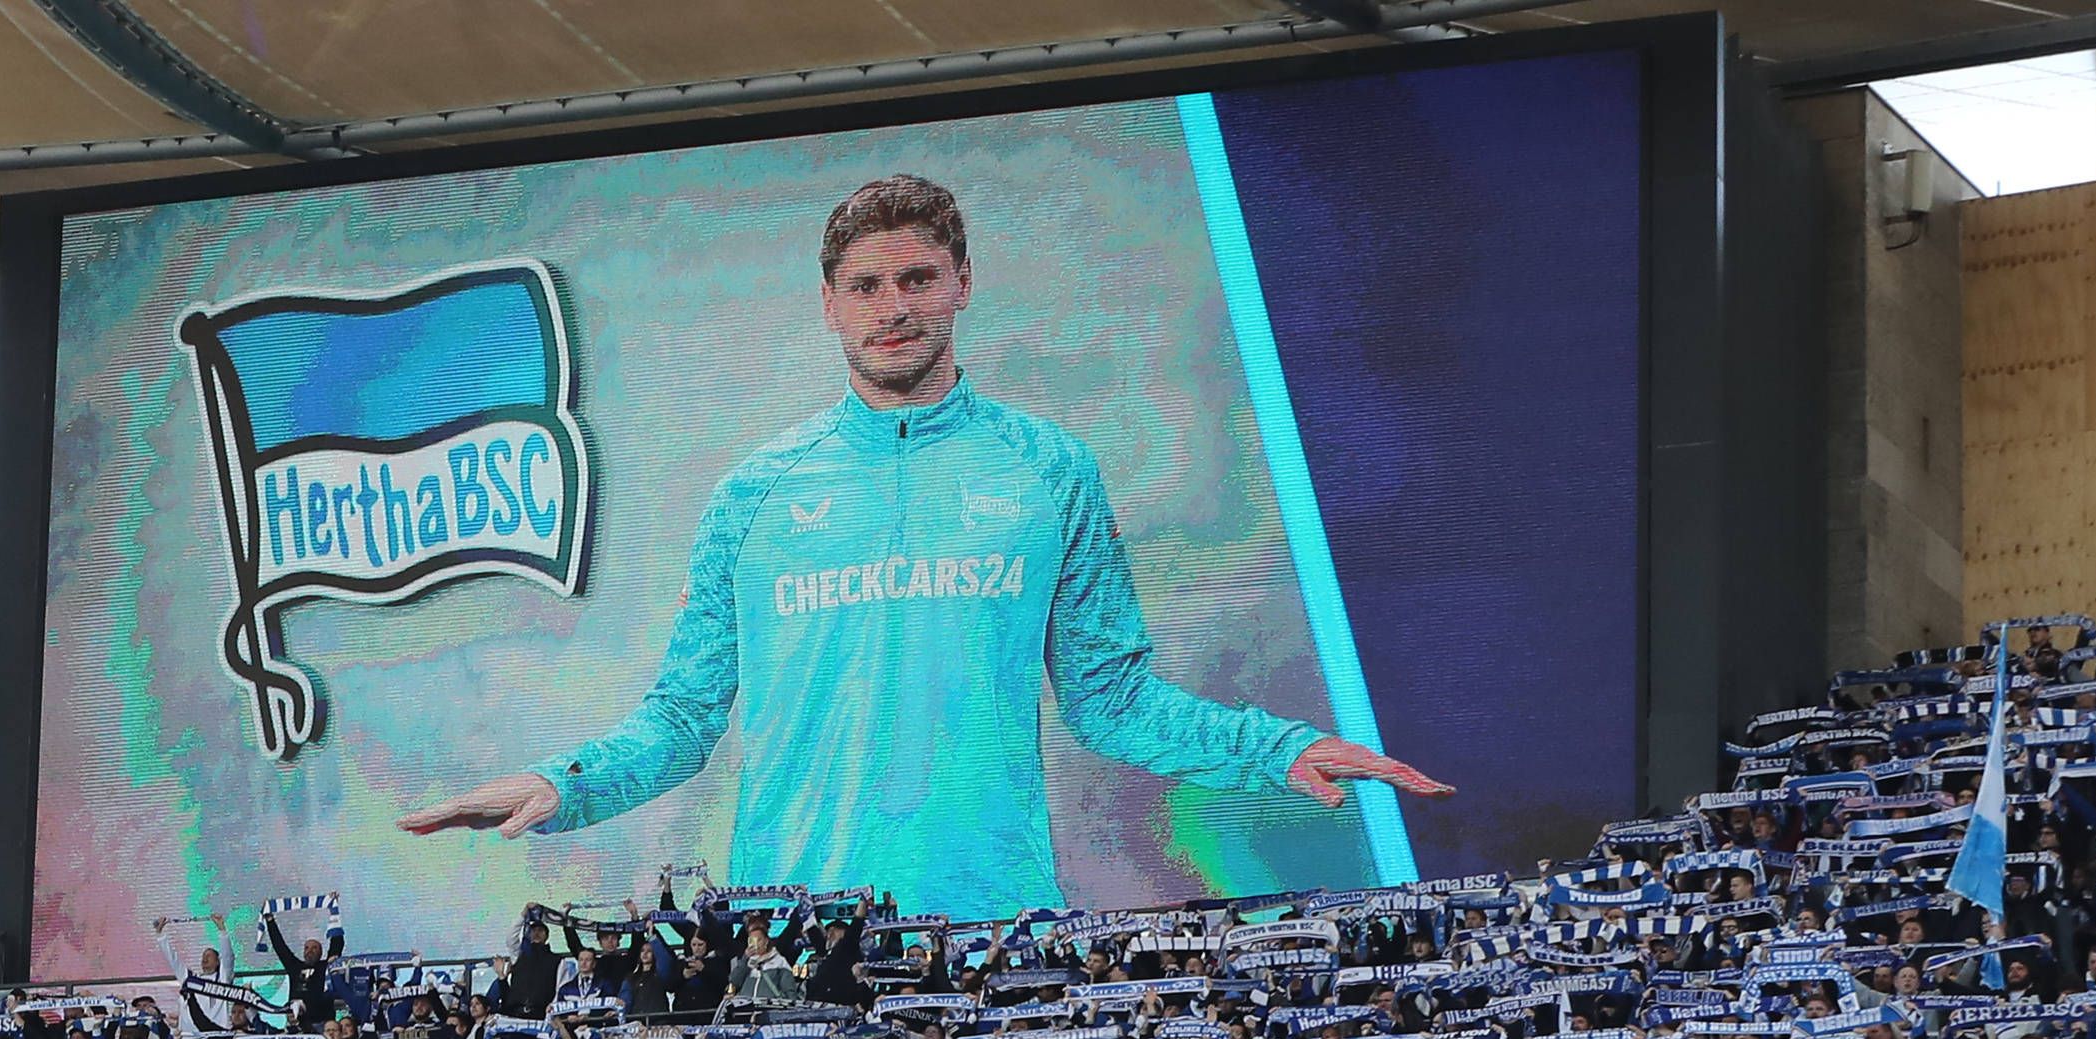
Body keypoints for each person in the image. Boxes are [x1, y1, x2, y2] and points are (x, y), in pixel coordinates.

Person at [397, 172, 1447, 916]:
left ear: (960, 283)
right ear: (827, 305)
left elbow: (1112, 701)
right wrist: (560, 781)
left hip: (994, 920)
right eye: (866, 285)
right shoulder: (753, 493)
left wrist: (1275, 746)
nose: (892, 308)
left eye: (916, 279)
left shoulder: (1049, 470)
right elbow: (681, 718)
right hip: (788, 933)